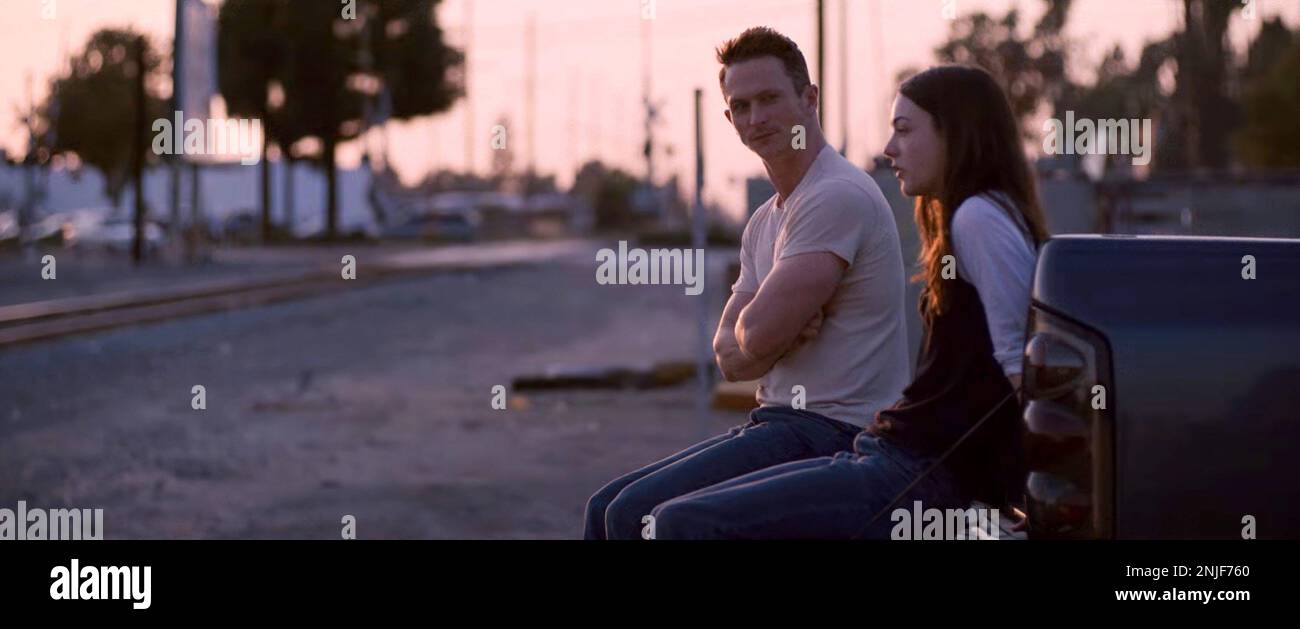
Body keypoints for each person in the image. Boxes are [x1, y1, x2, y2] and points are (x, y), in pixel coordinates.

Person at [648, 64, 1049, 539]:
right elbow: (735, 353)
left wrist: (1044, 491)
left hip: (918, 474)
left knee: (681, 522)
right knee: (655, 514)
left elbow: (1020, 360)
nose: (888, 149)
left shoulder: (978, 217)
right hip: (895, 455)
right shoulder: (966, 218)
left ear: (955, 134)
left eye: (904, 129)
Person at [583, 27, 909, 540]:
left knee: (637, 517)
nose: (756, 118)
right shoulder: (766, 220)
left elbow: (753, 338)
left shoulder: (836, 195)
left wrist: (762, 328)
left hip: (835, 433)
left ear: (809, 99)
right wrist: (770, 325)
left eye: (770, 99)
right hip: (778, 423)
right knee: (605, 506)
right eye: (741, 106)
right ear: (728, 117)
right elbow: (728, 356)